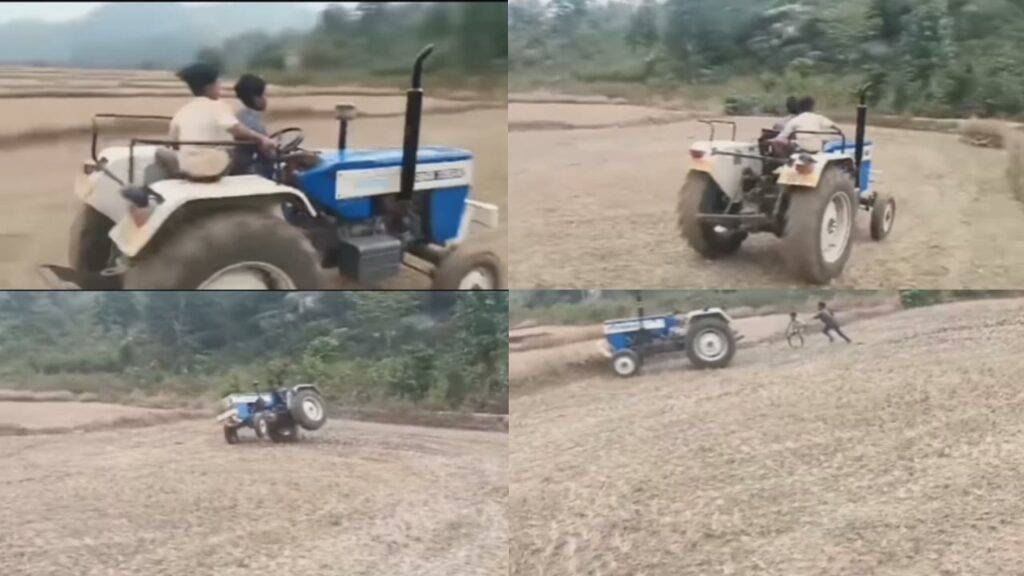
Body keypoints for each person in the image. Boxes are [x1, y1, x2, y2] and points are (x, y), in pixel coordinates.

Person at [159, 63, 276, 180]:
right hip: (214, 168)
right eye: (217, 83)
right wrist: (262, 139)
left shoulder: (182, 111)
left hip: (187, 168)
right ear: (209, 87)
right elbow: (236, 129)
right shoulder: (218, 106)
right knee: (230, 149)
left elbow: (172, 143)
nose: (220, 86)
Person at [232, 73, 275, 177]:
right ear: (256, 98)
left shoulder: (240, 115)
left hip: (242, 167)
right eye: (264, 94)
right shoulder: (253, 123)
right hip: (253, 171)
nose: (266, 98)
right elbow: (270, 154)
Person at [772, 96, 839, 154]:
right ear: (812, 108)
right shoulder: (818, 117)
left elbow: (782, 136)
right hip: (817, 146)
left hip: (802, 147)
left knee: (778, 142)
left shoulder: (795, 120)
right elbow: (834, 126)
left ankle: (785, 161)